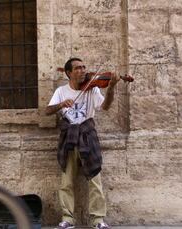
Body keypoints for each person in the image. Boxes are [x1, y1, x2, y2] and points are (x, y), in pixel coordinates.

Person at [45, 58, 120, 229]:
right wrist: (61, 104)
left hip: (87, 136)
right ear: (69, 73)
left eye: (84, 67)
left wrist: (112, 87)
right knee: (66, 181)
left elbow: (106, 106)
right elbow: (47, 110)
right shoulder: (61, 91)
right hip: (69, 137)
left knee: (95, 179)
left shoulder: (92, 89)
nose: (83, 71)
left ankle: (98, 220)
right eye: (78, 68)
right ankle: (67, 219)